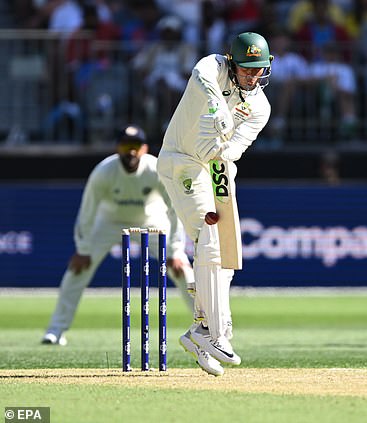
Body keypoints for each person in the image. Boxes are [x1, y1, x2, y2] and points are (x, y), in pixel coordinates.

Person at [156, 32, 272, 376]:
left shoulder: (260, 107)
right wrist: (216, 107)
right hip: (181, 161)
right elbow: (199, 74)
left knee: (223, 253)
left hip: (215, 169)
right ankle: (216, 334)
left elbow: (235, 149)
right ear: (232, 62)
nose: (252, 77)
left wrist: (222, 146)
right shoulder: (213, 66)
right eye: (247, 69)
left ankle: (201, 330)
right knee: (210, 239)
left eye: (259, 70)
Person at [42, 124, 196, 346]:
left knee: (181, 269)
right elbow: (87, 211)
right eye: (126, 145)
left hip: (151, 220)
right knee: (77, 270)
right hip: (109, 222)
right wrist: (83, 249)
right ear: (118, 148)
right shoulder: (104, 171)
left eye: (135, 146)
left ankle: (206, 328)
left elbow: (174, 208)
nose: (130, 151)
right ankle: (55, 330)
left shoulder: (156, 168)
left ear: (143, 149)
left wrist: (175, 250)